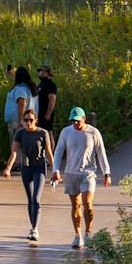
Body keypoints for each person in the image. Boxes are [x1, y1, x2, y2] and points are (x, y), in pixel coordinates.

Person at [53, 107, 111, 249]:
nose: (75, 123)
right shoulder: (66, 132)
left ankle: (88, 233)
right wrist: (56, 170)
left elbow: (101, 153)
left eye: (78, 120)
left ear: (84, 118)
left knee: (88, 204)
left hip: (88, 172)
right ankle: (77, 235)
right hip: (71, 173)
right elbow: (59, 150)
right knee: (76, 205)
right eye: (73, 121)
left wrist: (106, 173)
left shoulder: (93, 132)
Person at [12, 111, 55, 242]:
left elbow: (48, 152)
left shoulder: (43, 133)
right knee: (30, 199)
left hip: (39, 168)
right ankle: (32, 226)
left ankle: (35, 229)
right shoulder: (20, 133)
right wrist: (8, 168)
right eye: (26, 120)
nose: (28, 123)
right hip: (26, 168)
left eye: (31, 120)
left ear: (36, 119)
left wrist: (55, 170)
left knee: (36, 198)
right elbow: (14, 152)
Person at [0, 66, 36, 173]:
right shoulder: (26, 88)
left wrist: (21, 120)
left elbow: (21, 104)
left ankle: (19, 164)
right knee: (22, 142)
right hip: (23, 119)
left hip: (17, 120)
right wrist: (10, 73)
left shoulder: (20, 89)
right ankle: (22, 163)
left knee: (16, 142)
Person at [35, 65, 59, 129]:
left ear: (48, 73)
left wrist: (48, 114)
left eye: (42, 71)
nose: (40, 73)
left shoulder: (51, 84)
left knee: (48, 132)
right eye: (39, 71)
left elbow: (52, 99)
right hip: (39, 113)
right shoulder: (40, 84)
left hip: (45, 113)